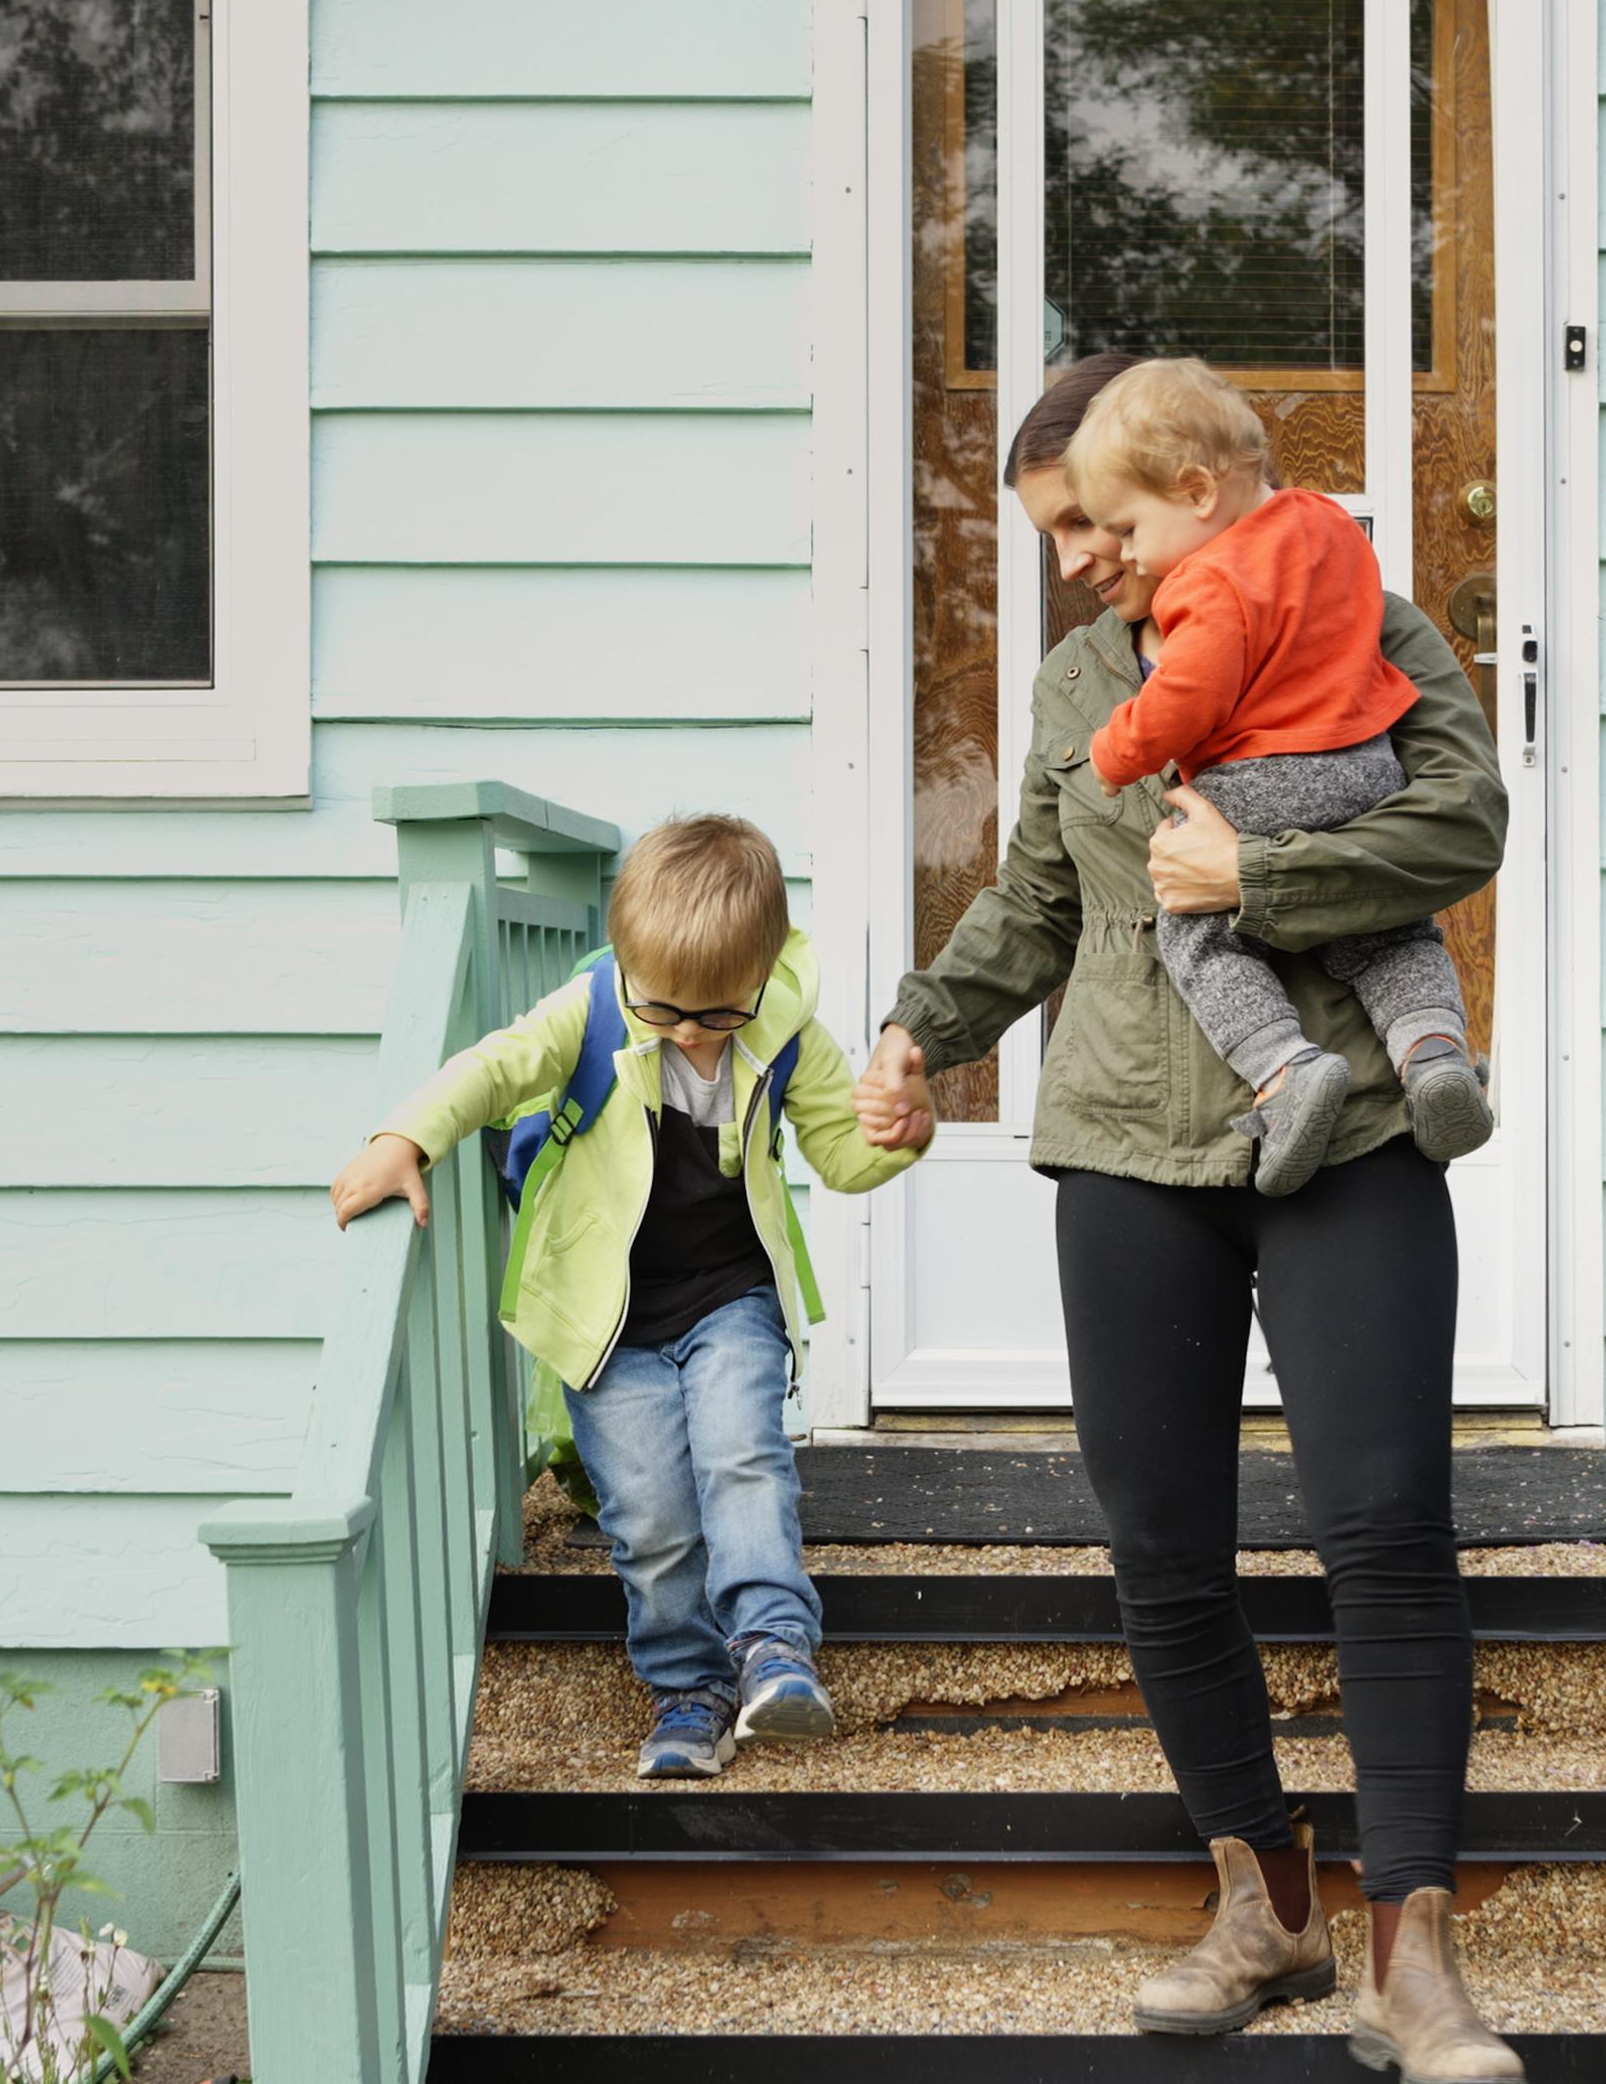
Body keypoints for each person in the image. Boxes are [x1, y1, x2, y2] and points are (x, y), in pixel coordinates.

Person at [855, 355, 1524, 2081]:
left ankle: (1416, 1960)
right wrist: (921, 1032)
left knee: (1381, 1522)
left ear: (1169, 482)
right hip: (1130, 1143)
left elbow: (1464, 817)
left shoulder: (1349, 598)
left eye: (1089, 518)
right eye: (1052, 532)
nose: (1075, 555)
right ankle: (1267, 1906)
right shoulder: (1084, 675)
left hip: (1351, 1127)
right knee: (1164, 1551)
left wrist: (1265, 879)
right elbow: (1034, 905)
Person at [332, 813, 925, 1778]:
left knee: (744, 1461)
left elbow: (843, 1157)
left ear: (762, 975)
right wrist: (403, 1140)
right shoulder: (592, 1011)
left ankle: (774, 1648)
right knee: (648, 1514)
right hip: (607, 1316)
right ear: (628, 963)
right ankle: (688, 1688)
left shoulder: (784, 1034)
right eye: (666, 1011)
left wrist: (900, 1137)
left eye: (718, 1014)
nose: (691, 1032)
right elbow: (488, 1073)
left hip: (732, 1293)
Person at [1060, 356, 1492, 1193]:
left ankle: (1286, 1072)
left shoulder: (1210, 583)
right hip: (1367, 768)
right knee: (1390, 934)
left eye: (1127, 529)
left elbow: (1189, 696)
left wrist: (1117, 751)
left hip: (1265, 779)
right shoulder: (1329, 527)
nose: (1123, 551)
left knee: (1194, 928)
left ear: (1195, 492)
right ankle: (1434, 1051)